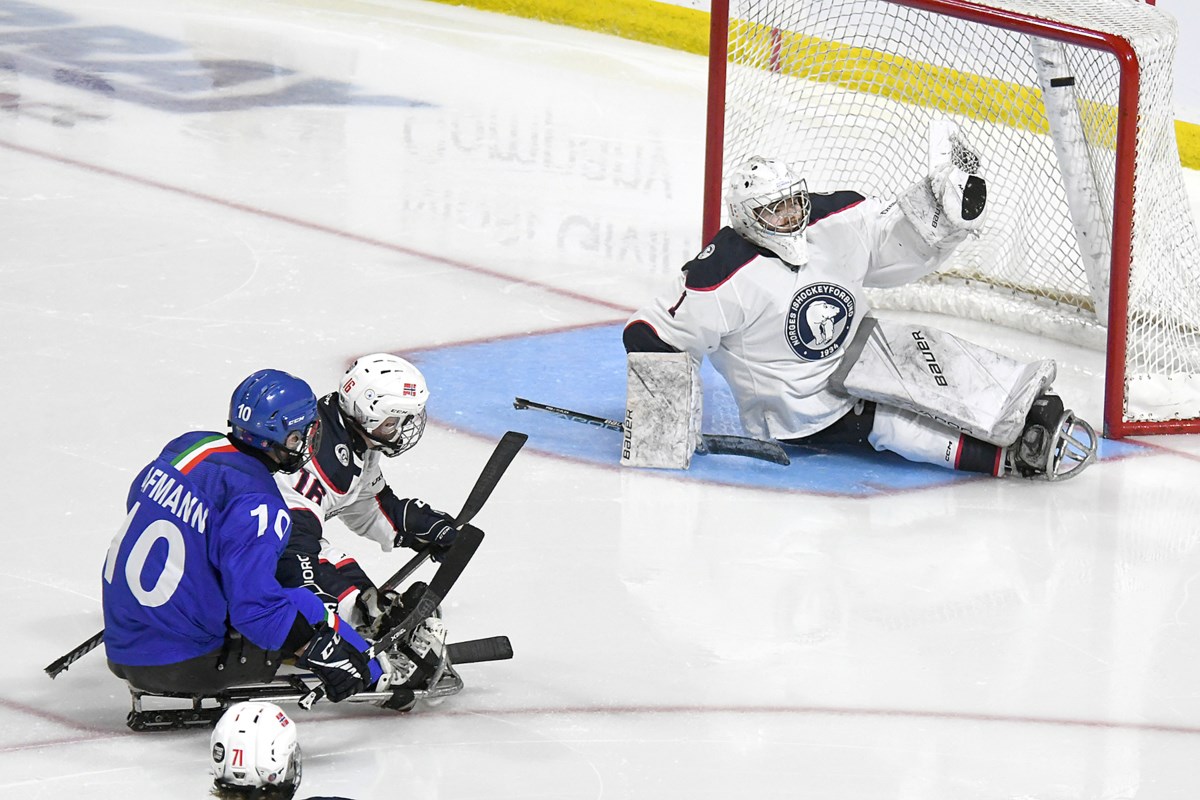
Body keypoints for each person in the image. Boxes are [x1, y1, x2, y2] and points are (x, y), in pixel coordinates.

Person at [623, 124, 1097, 481]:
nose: (790, 217)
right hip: (798, 406)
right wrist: (659, 422)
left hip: (860, 352)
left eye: (793, 202)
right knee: (889, 421)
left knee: (927, 349)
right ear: (748, 218)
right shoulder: (720, 273)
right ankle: (1007, 456)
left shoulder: (830, 219)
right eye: (775, 210)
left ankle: (1020, 400)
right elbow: (650, 333)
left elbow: (888, 245)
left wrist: (936, 217)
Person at [101, 368, 410, 708]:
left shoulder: (189, 447)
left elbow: (138, 502)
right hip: (180, 663)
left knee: (235, 571)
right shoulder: (260, 504)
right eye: (305, 432)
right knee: (304, 604)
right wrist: (317, 647)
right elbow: (256, 612)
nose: (310, 440)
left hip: (122, 640)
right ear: (288, 437)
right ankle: (378, 671)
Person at [273, 353, 461, 687]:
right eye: (394, 421)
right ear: (368, 411)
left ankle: (361, 623)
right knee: (336, 587)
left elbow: (363, 500)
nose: (402, 429)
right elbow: (290, 555)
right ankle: (331, 643)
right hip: (258, 550)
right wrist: (353, 633)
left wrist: (413, 525)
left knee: (348, 577)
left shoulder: (348, 434)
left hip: (287, 538)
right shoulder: (319, 456)